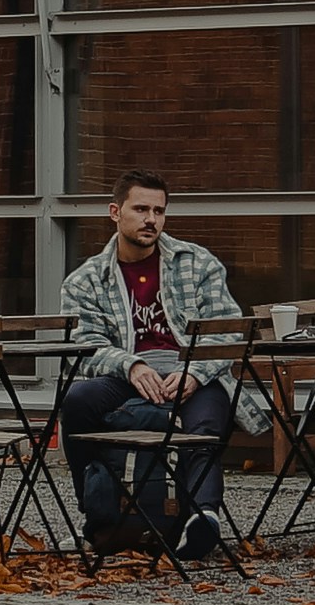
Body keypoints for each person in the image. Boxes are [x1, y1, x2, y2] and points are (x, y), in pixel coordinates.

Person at [50, 174, 244, 560]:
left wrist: (194, 373)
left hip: (190, 369)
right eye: (141, 209)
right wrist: (131, 366)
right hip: (124, 374)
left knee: (203, 424)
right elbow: (85, 344)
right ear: (115, 212)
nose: (151, 219)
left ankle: (203, 516)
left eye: (158, 210)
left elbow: (227, 332)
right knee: (76, 400)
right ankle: (96, 509)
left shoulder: (197, 263)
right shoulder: (86, 280)